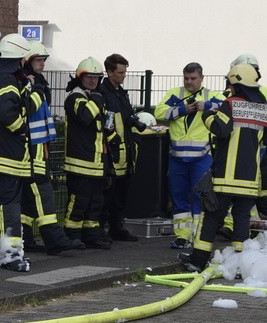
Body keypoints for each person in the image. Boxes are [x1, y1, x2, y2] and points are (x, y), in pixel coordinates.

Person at [180, 62, 267, 272]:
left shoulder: (231, 104)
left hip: (225, 177)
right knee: (241, 219)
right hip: (250, 180)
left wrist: (207, 116)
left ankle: (197, 261)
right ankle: (240, 266)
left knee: (211, 218)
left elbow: (220, 130)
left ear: (236, 84)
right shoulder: (265, 109)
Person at [0, 33, 43, 272]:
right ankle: (11, 256)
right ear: (18, 58)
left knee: (1, 205)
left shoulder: (1, 78)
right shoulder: (7, 80)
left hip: (1, 155)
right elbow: (9, 114)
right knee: (10, 207)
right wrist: (21, 130)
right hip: (7, 156)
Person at [21, 41, 84, 255]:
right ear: (27, 61)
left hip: (40, 145)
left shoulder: (37, 81)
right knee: (43, 190)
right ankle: (54, 238)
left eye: (44, 60)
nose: (43, 64)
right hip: (31, 147)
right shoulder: (24, 81)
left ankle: (24, 237)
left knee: (31, 196)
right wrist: (33, 87)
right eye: (39, 60)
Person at [154, 62, 225, 249]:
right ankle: (182, 236)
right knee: (178, 198)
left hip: (201, 158)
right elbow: (159, 112)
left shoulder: (210, 95)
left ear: (202, 78)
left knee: (199, 197)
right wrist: (182, 110)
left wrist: (206, 106)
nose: (189, 82)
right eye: (186, 78)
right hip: (177, 158)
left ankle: (198, 236)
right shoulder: (175, 94)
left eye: (193, 78)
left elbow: (227, 107)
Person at [62, 56, 113, 249]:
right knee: (78, 201)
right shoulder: (75, 98)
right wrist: (97, 100)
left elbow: (99, 126)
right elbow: (84, 117)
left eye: (96, 77)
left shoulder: (93, 98)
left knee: (95, 202)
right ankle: (71, 235)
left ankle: (91, 234)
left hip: (97, 163)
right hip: (80, 163)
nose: (93, 81)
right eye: (89, 77)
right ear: (80, 77)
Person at [98, 53, 148, 241]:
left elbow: (127, 118)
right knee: (107, 194)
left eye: (125, 72)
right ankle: (101, 228)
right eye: (120, 72)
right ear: (109, 72)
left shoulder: (121, 92)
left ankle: (116, 227)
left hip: (126, 152)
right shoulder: (103, 93)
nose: (123, 75)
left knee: (121, 194)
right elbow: (106, 123)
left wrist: (135, 137)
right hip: (112, 152)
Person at [231, 53, 267, 218]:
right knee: (256, 175)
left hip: (245, 142)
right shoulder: (262, 91)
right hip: (257, 140)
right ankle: (256, 210)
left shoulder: (235, 91)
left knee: (257, 174)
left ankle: (257, 209)